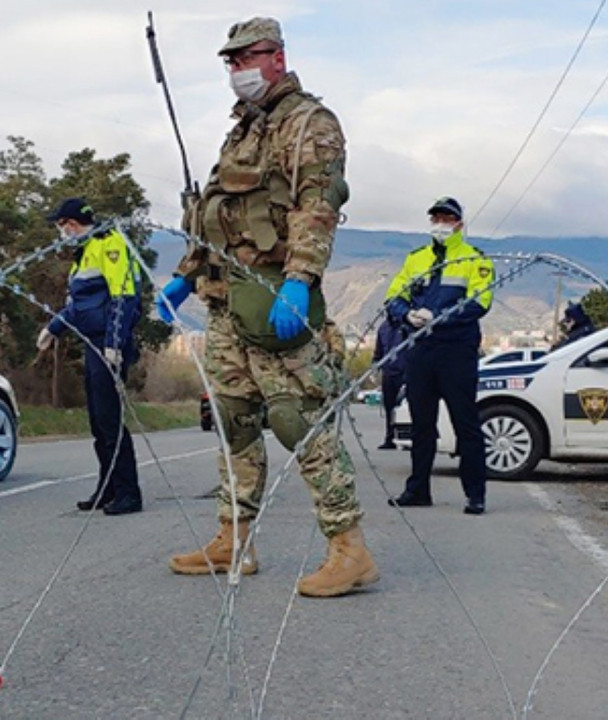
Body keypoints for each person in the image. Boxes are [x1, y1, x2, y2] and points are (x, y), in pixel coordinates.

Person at [157, 16, 376, 597]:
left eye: (247, 57)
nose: (238, 70)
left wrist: (301, 279)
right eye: (229, 62)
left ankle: (349, 550)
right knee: (235, 424)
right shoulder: (244, 130)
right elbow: (220, 217)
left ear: (277, 56)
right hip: (228, 302)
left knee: (297, 421)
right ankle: (234, 540)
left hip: (277, 297)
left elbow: (315, 206)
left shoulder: (310, 123)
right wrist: (186, 276)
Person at [383, 196, 493, 514]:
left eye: (447, 219)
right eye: (436, 219)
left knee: (465, 423)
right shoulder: (416, 259)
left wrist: (441, 315)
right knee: (422, 425)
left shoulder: (474, 259)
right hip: (420, 349)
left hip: (456, 350)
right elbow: (394, 295)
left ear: (459, 223)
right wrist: (407, 315)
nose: (441, 224)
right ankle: (418, 489)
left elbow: (480, 301)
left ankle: (475, 494)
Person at [37, 197, 143, 515]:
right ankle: (107, 486)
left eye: (61, 225)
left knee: (111, 419)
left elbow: (124, 296)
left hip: (108, 345)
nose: (61, 233)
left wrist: (114, 343)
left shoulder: (110, 244)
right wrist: (54, 328)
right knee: (98, 422)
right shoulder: (83, 255)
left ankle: (128, 493)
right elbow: (79, 306)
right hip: (92, 344)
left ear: (71, 223)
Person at [372, 318, 408, 449]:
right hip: (388, 373)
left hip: (405, 373)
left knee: (407, 406)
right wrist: (376, 364)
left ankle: (408, 436)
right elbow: (379, 350)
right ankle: (390, 437)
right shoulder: (383, 328)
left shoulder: (406, 326)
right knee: (389, 407)